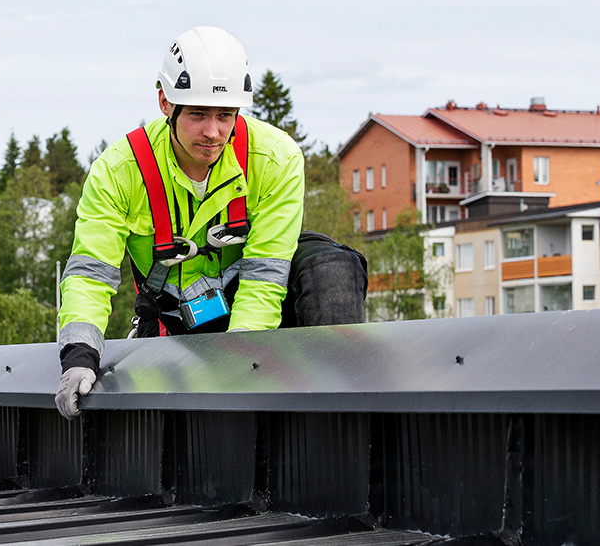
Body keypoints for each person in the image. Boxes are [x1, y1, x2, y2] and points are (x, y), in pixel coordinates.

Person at [55, 26, 367, 420]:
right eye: (198, 114)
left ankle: (338, 417)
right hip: (178, 326)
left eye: (225, 116)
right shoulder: (119, 171)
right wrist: (79, 357)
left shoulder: (275, 159)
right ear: (165, 103)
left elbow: (266, 276)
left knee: (330, 267)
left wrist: (243, 369)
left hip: (257, 318)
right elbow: (91, 273)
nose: (213, 132)